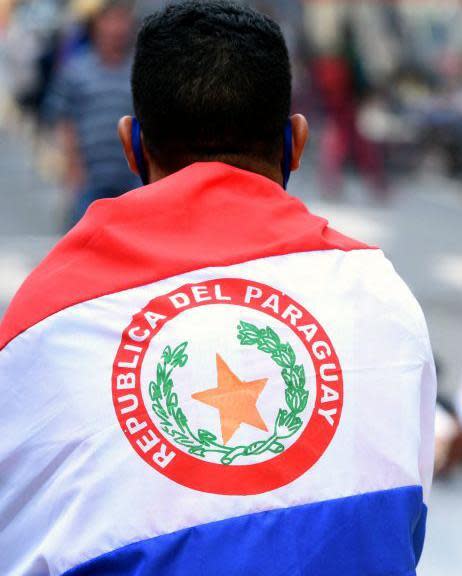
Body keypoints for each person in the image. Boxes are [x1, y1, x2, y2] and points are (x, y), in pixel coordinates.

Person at [0, 3, 435, 574]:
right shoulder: (377, 291)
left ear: (132, 146)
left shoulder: (44, 318)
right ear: (296, 143)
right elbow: (403, 519)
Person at [43, 0, 138, 228]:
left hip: (134, 179)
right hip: (88, 180)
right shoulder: (76, 71)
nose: (117, 28)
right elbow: (64, 120)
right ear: (97, 25)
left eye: (122, 20)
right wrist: (73, 168)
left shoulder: (140, 69)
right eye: (111, 20)